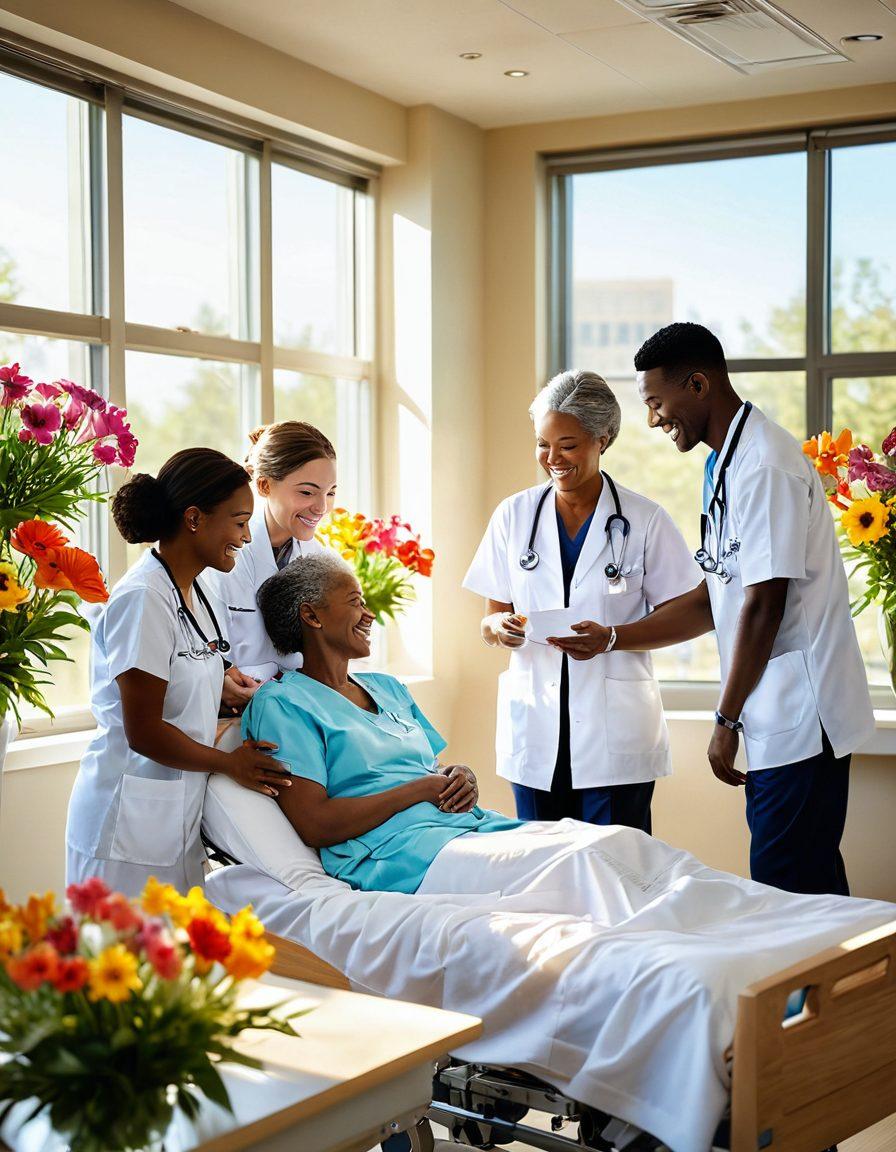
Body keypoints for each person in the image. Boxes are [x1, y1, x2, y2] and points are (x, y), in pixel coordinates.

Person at [591, 322, 874, 895]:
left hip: (801, 715)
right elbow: (712, 597)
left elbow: (765, 603)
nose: (652, 419)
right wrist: (615, 636)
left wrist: (725, 719)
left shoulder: (765, 463)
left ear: (697, 383)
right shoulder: (722, 464)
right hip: (776, 716)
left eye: (656, 403)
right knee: (804, 885)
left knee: (788, 888)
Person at [461, 370, 701, 833]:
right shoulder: (514, 515)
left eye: (567, 445)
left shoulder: (644, 519)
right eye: (543, 444)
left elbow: (693, 611)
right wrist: (500, 629)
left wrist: (614, 638)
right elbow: (491, 618)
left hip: (615, 737)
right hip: (536, 728)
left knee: (618, 875)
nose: (552, 458)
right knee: (545, 872)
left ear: (602, 439)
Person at [66, 448, 294, 898]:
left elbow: (186, 665)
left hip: (173, 817)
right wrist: (231, 764)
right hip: (124, 822)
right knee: (119, 962)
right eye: (238, 521)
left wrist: (223, 682)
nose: (246, 537)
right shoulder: (144, 597)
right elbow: (144, 731)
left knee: (174, 962)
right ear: (194, 518)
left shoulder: (199, 588)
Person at [239, 552, 523, 893]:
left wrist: (459, 778)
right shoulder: (283, 704)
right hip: (393, 855)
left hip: (462, 830)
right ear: (311, 615)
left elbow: (430, 769)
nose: (370, 614)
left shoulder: (387, 686)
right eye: (356, 602)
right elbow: (315, 824)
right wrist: (421, 789)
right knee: (569, 866)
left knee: (588, 848)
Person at [204, 421, 337, 682]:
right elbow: (208, 656)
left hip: (293, 705)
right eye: (307, 492)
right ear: (264, 486)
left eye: (330, 493)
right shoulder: (221, 556)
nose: (321, 507)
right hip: (230, 712)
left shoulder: (323, 562)